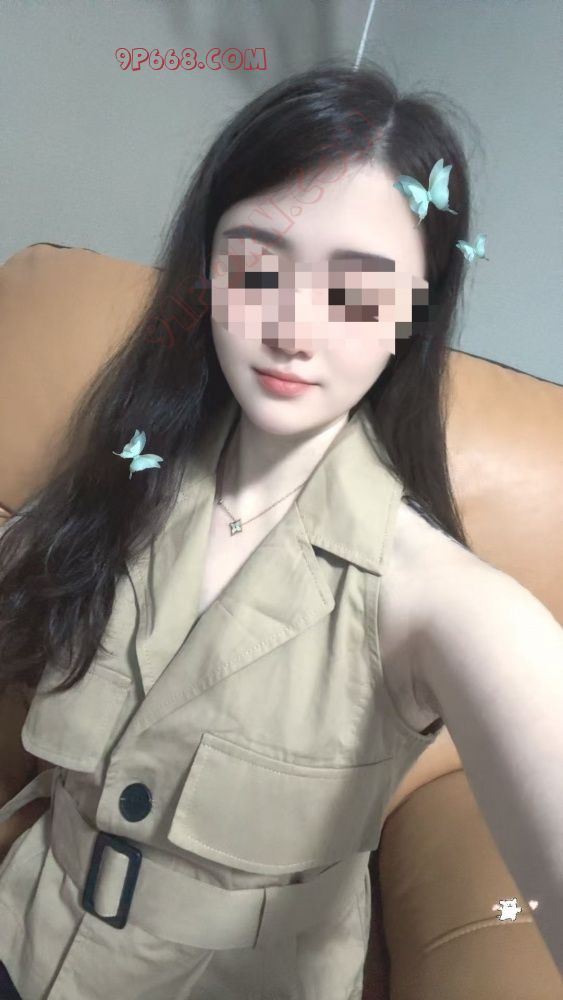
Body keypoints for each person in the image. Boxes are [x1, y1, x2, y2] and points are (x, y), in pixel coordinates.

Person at [0, 61, 561, 999]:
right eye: (257, 267)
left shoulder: (437, 600)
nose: (293, 330)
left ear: (412, 313)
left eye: (355, 292)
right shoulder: (129, 473)